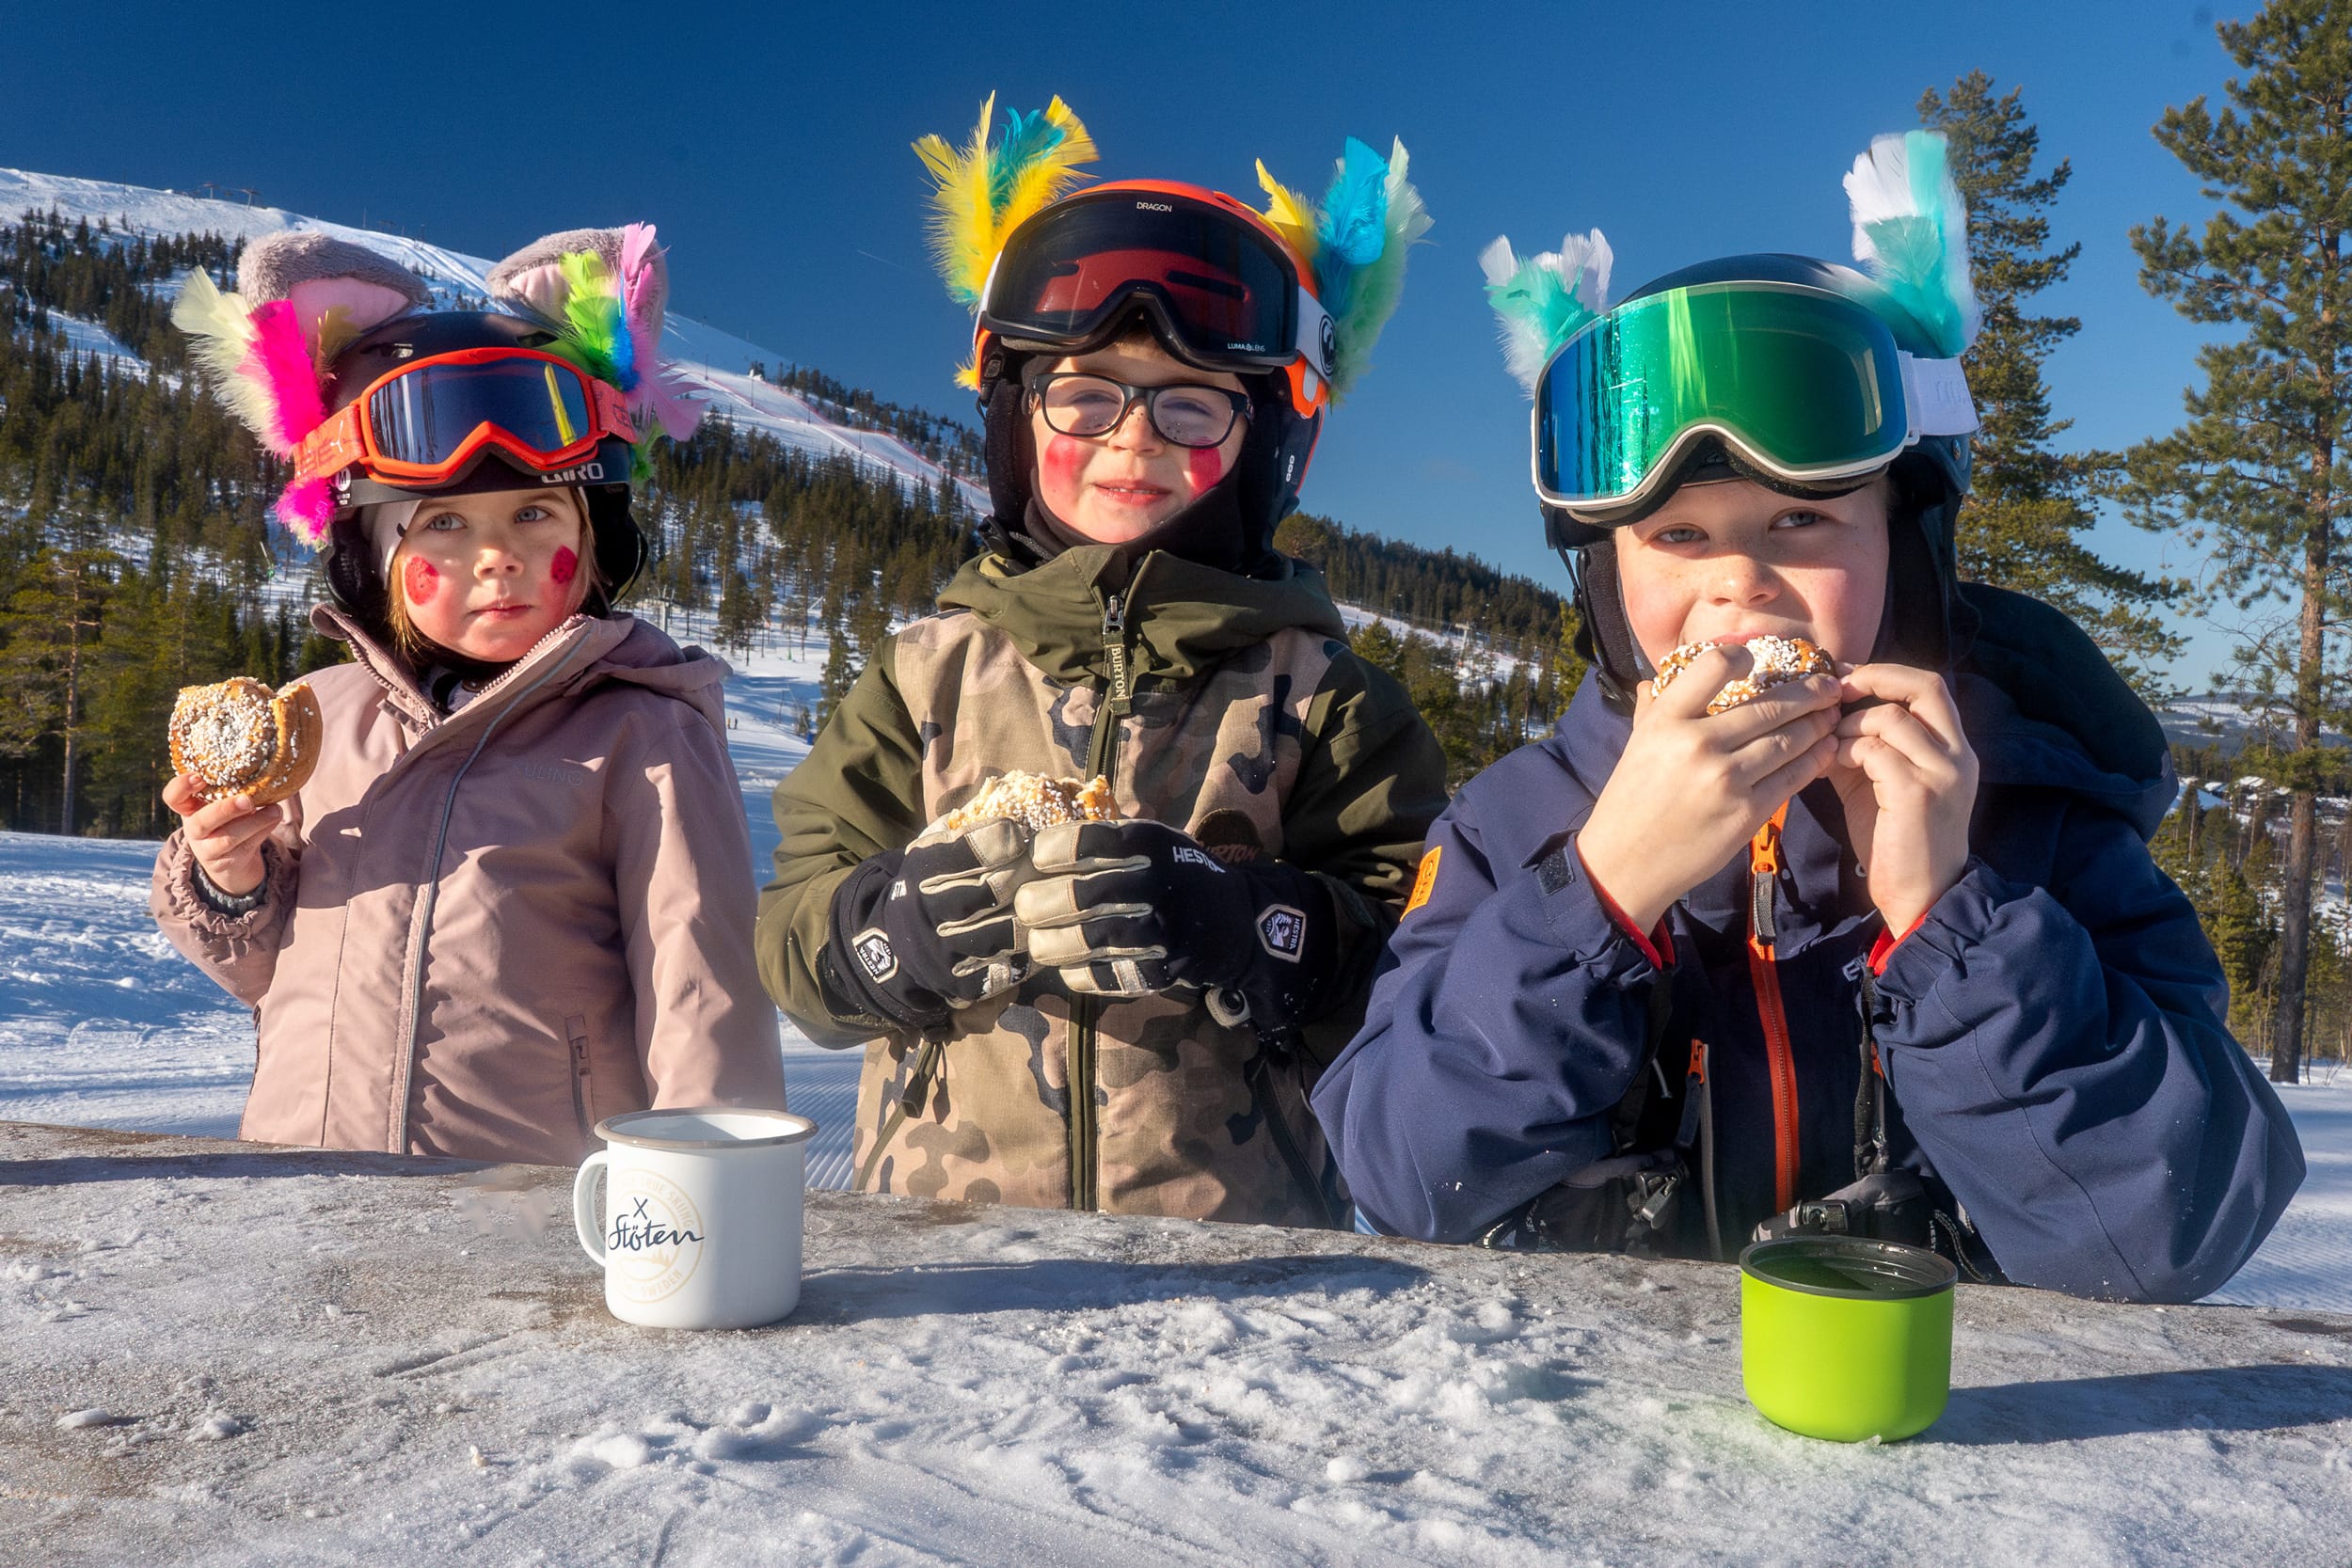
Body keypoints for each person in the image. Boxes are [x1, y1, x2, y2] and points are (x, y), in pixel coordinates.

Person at [1311, 132, 2304, 1301]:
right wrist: (1601, 890)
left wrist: (1950, 923)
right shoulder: (1513, 821)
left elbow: (2175, 1227)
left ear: (1908, 546)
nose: (1739, 586)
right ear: (1604, 577)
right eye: (1679, 536)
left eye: (1803, 524)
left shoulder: (2037, 817)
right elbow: (1399, 1176)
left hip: (1968, 1436)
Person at [756, 96, 1449, 1224]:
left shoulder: (1326, 700)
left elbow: (1422, 964)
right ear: (1015, 421)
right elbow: (793, 934)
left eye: (1190, 405)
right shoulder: (924, 679)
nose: (1131, 438)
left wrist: (1257, 929)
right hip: (942, 1249)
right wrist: (887, 935)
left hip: (1248, 1258)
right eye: (1084, 396)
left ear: (1266, 444)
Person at [152, 227, 785, 1164]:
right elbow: (258, 968)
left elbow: (704, 998)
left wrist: (718, 1200)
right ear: (370, 556)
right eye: (443, 522)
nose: (498, 555)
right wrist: (228, 876)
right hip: (298, 1196)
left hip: (531, 1221)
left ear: (595, 535)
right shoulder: (317, 716)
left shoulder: (641, 732)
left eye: (535, 511)